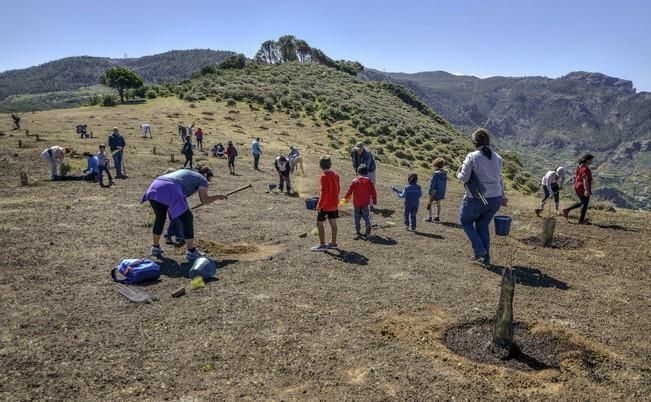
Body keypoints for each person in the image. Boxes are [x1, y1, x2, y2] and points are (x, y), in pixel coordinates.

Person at [141, 166, 228, 261]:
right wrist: (218, 197)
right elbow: (204, 200)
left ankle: (155, 248)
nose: (208, 182)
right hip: (171, 189)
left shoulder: (186, 171)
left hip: (155, 186)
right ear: (206, 175)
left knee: (160, 217)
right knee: (187, 218)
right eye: (208, 180)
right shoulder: (202, 179)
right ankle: (191, 251)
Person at [456, 128, 507, 266]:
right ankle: (486, 258)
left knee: (465, 221)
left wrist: (458, 172)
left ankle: (480, 250)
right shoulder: (498, 158)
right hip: (495, 197)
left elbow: (465, 178)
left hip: (477, 197)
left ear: (474, 142)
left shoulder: (472, 157)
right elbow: (500, 178)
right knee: (483, 226)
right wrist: (503, 195)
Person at [311, 156, 340, 252]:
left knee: (319, 223)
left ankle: (322, 244)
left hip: (325, 205)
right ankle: (333, 243)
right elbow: (338, 189)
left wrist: (319, 205)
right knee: (333, 222)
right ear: (330, 164)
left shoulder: (323, 176)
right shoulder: (336, 175)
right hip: (334, 204)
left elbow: (323, 192)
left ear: (321, 165)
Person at [343, 164, 377, 237]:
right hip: (365, 202)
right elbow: (374, 192)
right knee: (366, 215)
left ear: (358, 172)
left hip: (357, 203)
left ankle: (357, 230)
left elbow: (349, 191)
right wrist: (374, 200)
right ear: (367, 173)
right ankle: (368, 224)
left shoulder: (355, 181)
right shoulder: (370, 182)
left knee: (357, 217)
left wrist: (345, 198)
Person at [562, 154, 594, 224]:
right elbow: (585, 180)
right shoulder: (585, 169)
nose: (592, 161)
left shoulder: (579, 167)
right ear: (587, 160)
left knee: (583, 202)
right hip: (582, 186)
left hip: (577, 186)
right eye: (591, 160)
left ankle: (567, 210)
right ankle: (581, 220)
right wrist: (586, 190)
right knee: (584, 204)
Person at [425, 158, 448, 223]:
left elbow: (432, 184)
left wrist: (430, 191)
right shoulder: (444, 173)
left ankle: (430, 217)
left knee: (430, 203)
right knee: (438, 203)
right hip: (441, 191)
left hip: (434, 191)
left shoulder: (435, 174)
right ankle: (437, 217)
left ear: (436, 165)